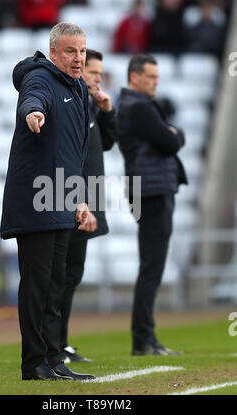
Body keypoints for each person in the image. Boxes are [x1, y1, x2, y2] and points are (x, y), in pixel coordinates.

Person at [0, 22, 95, 381]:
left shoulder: (78, 88)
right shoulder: (40, 78)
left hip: (61, 199)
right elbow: (32, 96)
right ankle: (34, 364)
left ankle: (54, 359)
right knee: (38, 286)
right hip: (37, 200)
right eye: (70, 51)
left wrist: (79, 199)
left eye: (82, 51)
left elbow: (73, 154)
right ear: (54, 52)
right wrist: (32, 112)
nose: (78, 58)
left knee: (55, 285)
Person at [117, 54, 188, 356]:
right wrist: (173, 132)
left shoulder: (132, 106)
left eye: (158, 78)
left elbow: (171, 136)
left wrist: (173, 132)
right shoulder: (140, 108)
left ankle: (144, 338)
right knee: (152, 267)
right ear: (134, 77)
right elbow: (171, 141)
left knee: (151, 265)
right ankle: (143, 339)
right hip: (152, 190)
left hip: (146, 188)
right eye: (151, 77)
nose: (156, 83)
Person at [59, 49, 118, 363]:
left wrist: (107, 111)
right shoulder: (75, 106)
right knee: (62, 277)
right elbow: (71, 159)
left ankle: (61, 343)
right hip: (70, 203)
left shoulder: (91, 107)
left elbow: (106, 144)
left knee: (71, 276)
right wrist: (80, 202)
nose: (99, 78)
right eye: (95, 73)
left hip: (86, 202)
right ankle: (52, 345)